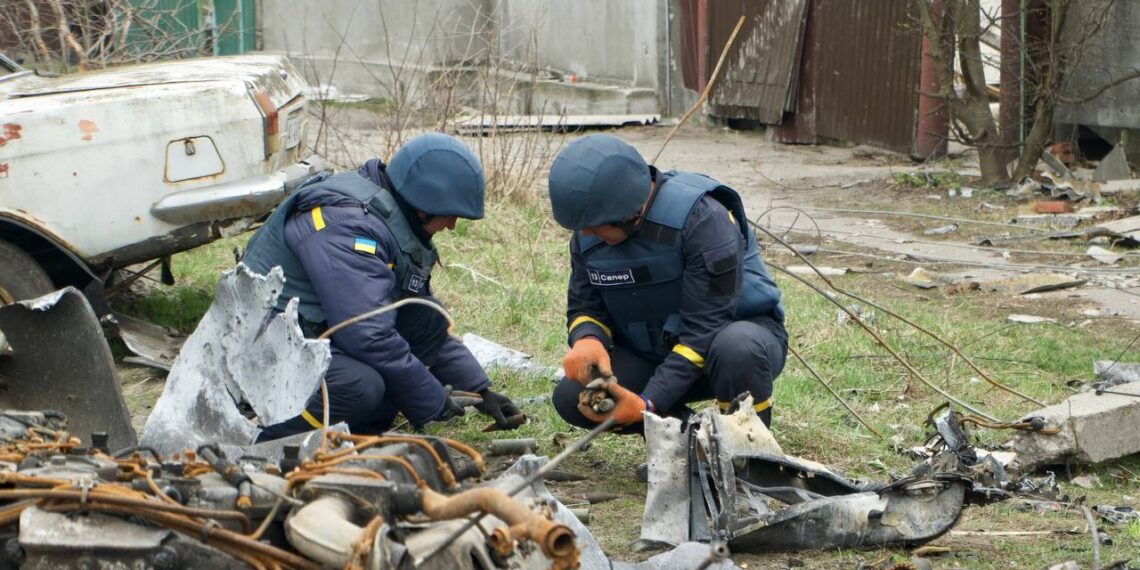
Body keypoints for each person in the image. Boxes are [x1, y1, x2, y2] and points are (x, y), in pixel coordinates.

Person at [243, 133, 519, 441]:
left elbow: (414, 317)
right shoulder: (347, 227)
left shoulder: (384, 215)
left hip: (309, 330)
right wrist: (432, 400)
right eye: (450, 214)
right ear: (423, 203)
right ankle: (265, 437)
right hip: (262, 348)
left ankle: (355, 431)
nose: (452, 225)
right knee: (359, 385)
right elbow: (367, 334)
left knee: (427, 316)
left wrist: (481, 392)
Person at [547, 134, 787, 431]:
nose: (584, 235)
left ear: (630, 214)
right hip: (655, 351)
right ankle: (686, 437)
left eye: (593, 227)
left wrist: (648, 403)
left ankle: (746, 445)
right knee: (573, 398)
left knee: (736, 348)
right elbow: (585, 305)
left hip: (728, 348)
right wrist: (587, 338)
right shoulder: (593, 227)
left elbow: (703, 331)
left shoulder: (702, 220)